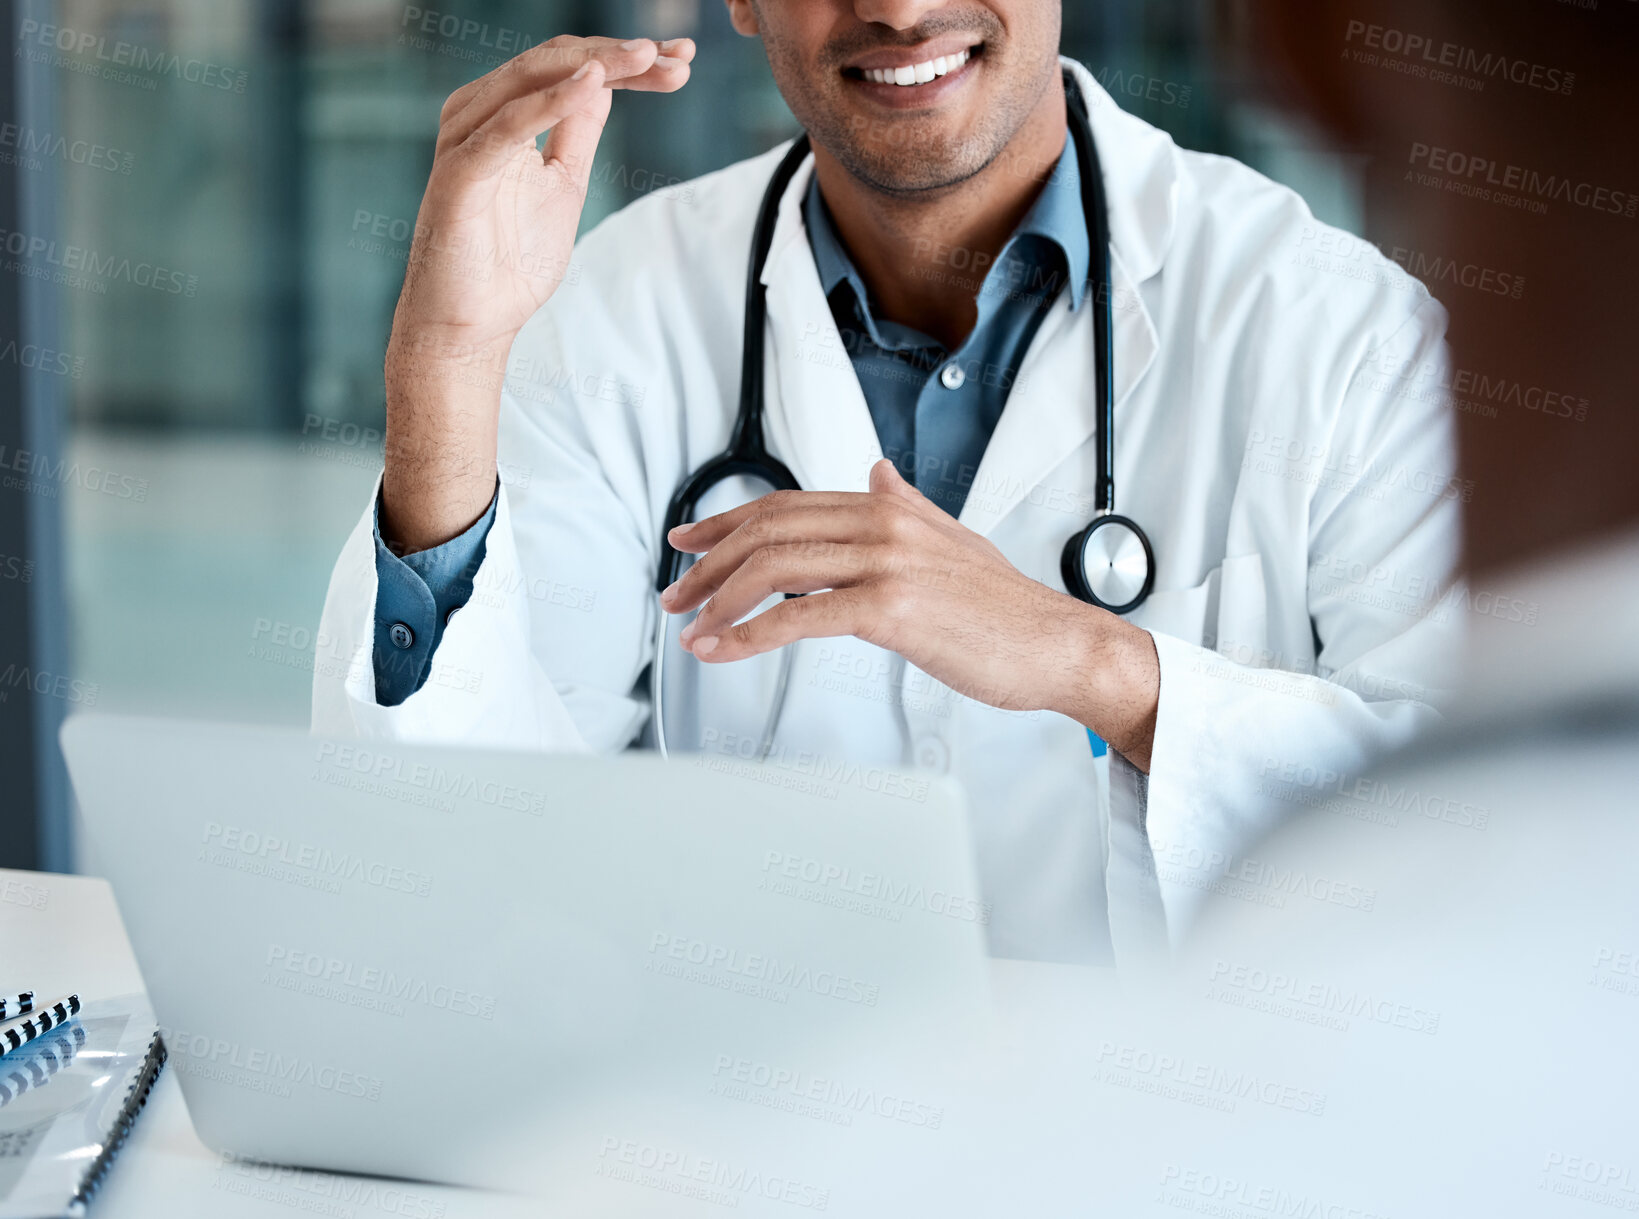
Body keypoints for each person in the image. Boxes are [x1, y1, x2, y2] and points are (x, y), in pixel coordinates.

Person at [314, 1, 1463, 966]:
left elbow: (1476, 840)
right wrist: (445, 363)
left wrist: (1099, 668)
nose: (902, 8)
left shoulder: (1342, 335)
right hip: (734, 1134)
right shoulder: (608, 308)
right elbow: (456, 867)